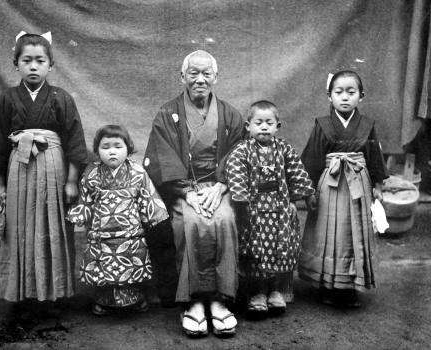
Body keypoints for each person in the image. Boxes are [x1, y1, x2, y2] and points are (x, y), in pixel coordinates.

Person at [143, 50, 244, 337]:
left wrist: (222, 186)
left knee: (224, 219)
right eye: (193, 73)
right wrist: (187, 192)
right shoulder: (167, 113)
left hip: (218, 186)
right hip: (183, 188)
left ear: (216, 77)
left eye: (206, 74)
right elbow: (161, 157)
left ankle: (220, 300)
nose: (200, 79)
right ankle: (195, 302)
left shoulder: (229, 115)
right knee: (190, 223)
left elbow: (240, 155)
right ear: (182, 77)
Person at [0, 32, 88, 304]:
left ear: (50, 65)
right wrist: (1, 186)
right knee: (19, 225)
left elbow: (75, 143)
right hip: (19, 168)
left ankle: (53, 290)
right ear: (16, 64)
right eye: (27, 60)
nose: (33, 66)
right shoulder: (7, 99)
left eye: (40, 61)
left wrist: (71, 181)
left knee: (51, 224)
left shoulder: (61, 98)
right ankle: (22, 291)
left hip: (52, 167)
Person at [298, 70, 388, 307]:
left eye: (351, 92)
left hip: (359, 183)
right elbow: (313, 159)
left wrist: (378, 185)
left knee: (354, 233)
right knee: (329, 233)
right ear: (330, 96)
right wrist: (309, 192)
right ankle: (327, 284)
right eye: (338, 92)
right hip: (331, 186)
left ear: (362, 96)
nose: (345, 97)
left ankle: (350, 287)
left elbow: (374, 157)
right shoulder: (323, 124)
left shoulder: (367, 125)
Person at [67, 125, 169, 315]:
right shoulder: (91, 173)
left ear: (128, 149)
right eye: (105, 147)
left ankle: (135, 299)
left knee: (130, 261)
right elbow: (85, 200)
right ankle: (103, 299)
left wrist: (155, 218)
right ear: (97, 150)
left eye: (117, 146)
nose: (112, 151)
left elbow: (148, 198)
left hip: (130, 233)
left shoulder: (138, 172)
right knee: (103, 264)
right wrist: (80, 214)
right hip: (101, 231)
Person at [225, 100, 315, 315]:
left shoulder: (284, 149)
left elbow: (296, 171)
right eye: (258, 123)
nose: (264, 127)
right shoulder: (242, 150)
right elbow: (235, 171)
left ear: (277, 126)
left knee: (279, 248)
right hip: (253, 211)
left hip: (280, 210)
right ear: (248, 126)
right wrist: (240, 199)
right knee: (256, 251)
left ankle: (275, 290)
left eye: (269, 123)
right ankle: (256, 292)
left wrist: (305, 194)